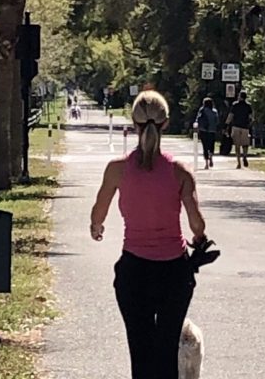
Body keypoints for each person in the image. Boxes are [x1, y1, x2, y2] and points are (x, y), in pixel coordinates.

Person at [90, 90, 208, 379]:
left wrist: (97, 228)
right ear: (166, 123)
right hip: (173, 273)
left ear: (133, 123)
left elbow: (98, 213)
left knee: (140, 350)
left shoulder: (117, 170)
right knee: (167, 349)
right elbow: (197, 225)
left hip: (134, 271)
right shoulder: (180, 172)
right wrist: (198, 239)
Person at [226, 90, 253, 169]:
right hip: (245, 127)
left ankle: (239, 163)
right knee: (245, 144)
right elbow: (251, 117)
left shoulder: (235, 105)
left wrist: (226, 125)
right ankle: (244, 156)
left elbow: (230, 116)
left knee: (237, 146)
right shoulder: (248, 106)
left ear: (240, 97)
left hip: (236, 126)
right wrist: (250, 125)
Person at [194, 98, 218, 169]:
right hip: (212, 130)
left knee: (205, 146)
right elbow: (217, 121)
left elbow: (197, 119)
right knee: (211, 145)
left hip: (203, 130)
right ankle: (211, 155)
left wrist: (197, 128)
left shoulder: (202, 110)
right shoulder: (214, 111)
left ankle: (206, 163)